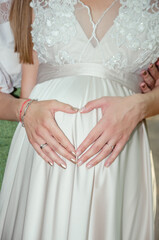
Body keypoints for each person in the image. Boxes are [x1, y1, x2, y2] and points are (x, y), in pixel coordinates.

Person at [0, 0, 159, 239]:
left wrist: (141, 105)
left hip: (117, 157)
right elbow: (27, 93)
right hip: (46, 154)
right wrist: (25, 110)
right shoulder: (33, 3)